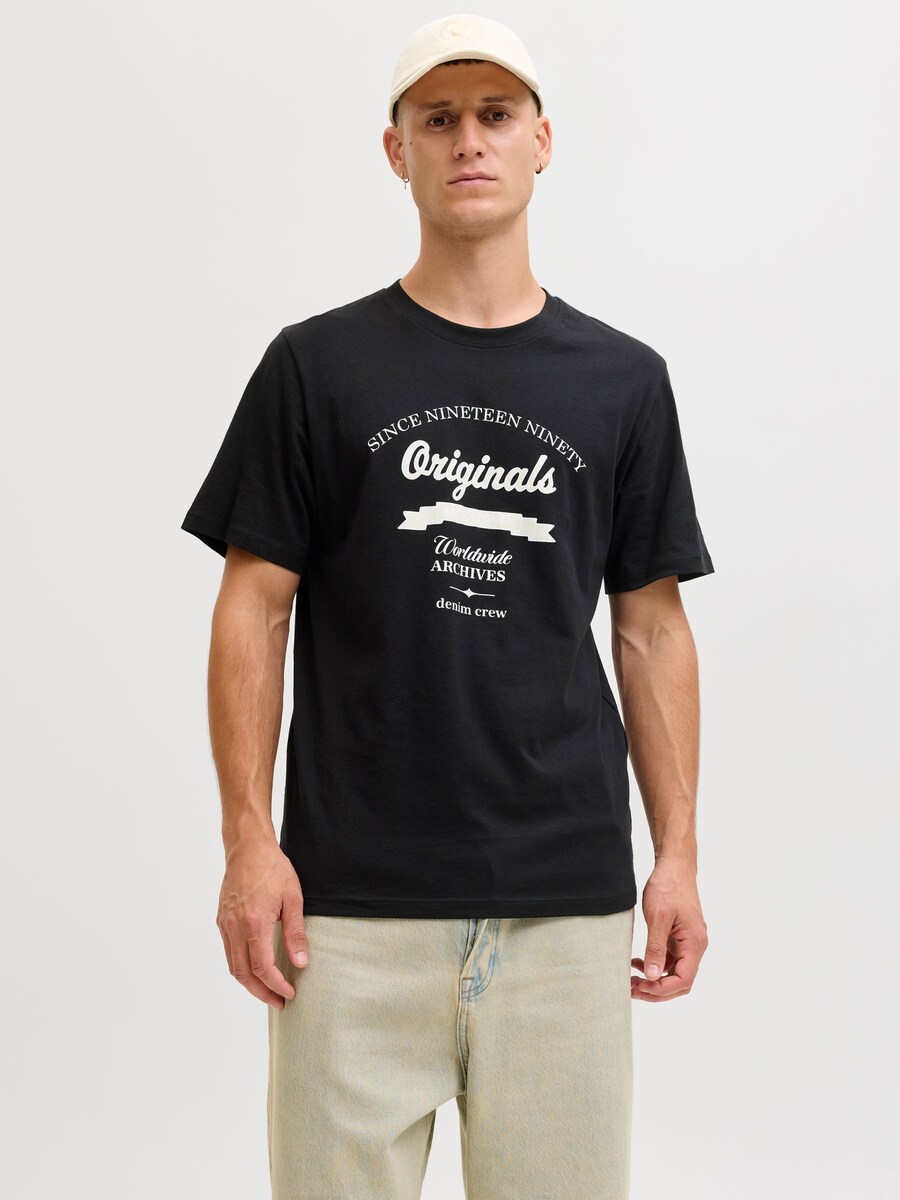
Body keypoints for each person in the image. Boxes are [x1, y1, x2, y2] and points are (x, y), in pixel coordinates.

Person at [180, 12, 714, 1199]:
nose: (469, 139)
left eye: (495, 115)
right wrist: (247, 843)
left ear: (541, 142)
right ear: (398, 151)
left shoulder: (624, 381)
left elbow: (651, 625)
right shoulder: (315, 368)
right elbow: (253, 608)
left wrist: (676, 857)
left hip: (564, 909)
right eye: (439, 118)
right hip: (345, 916)